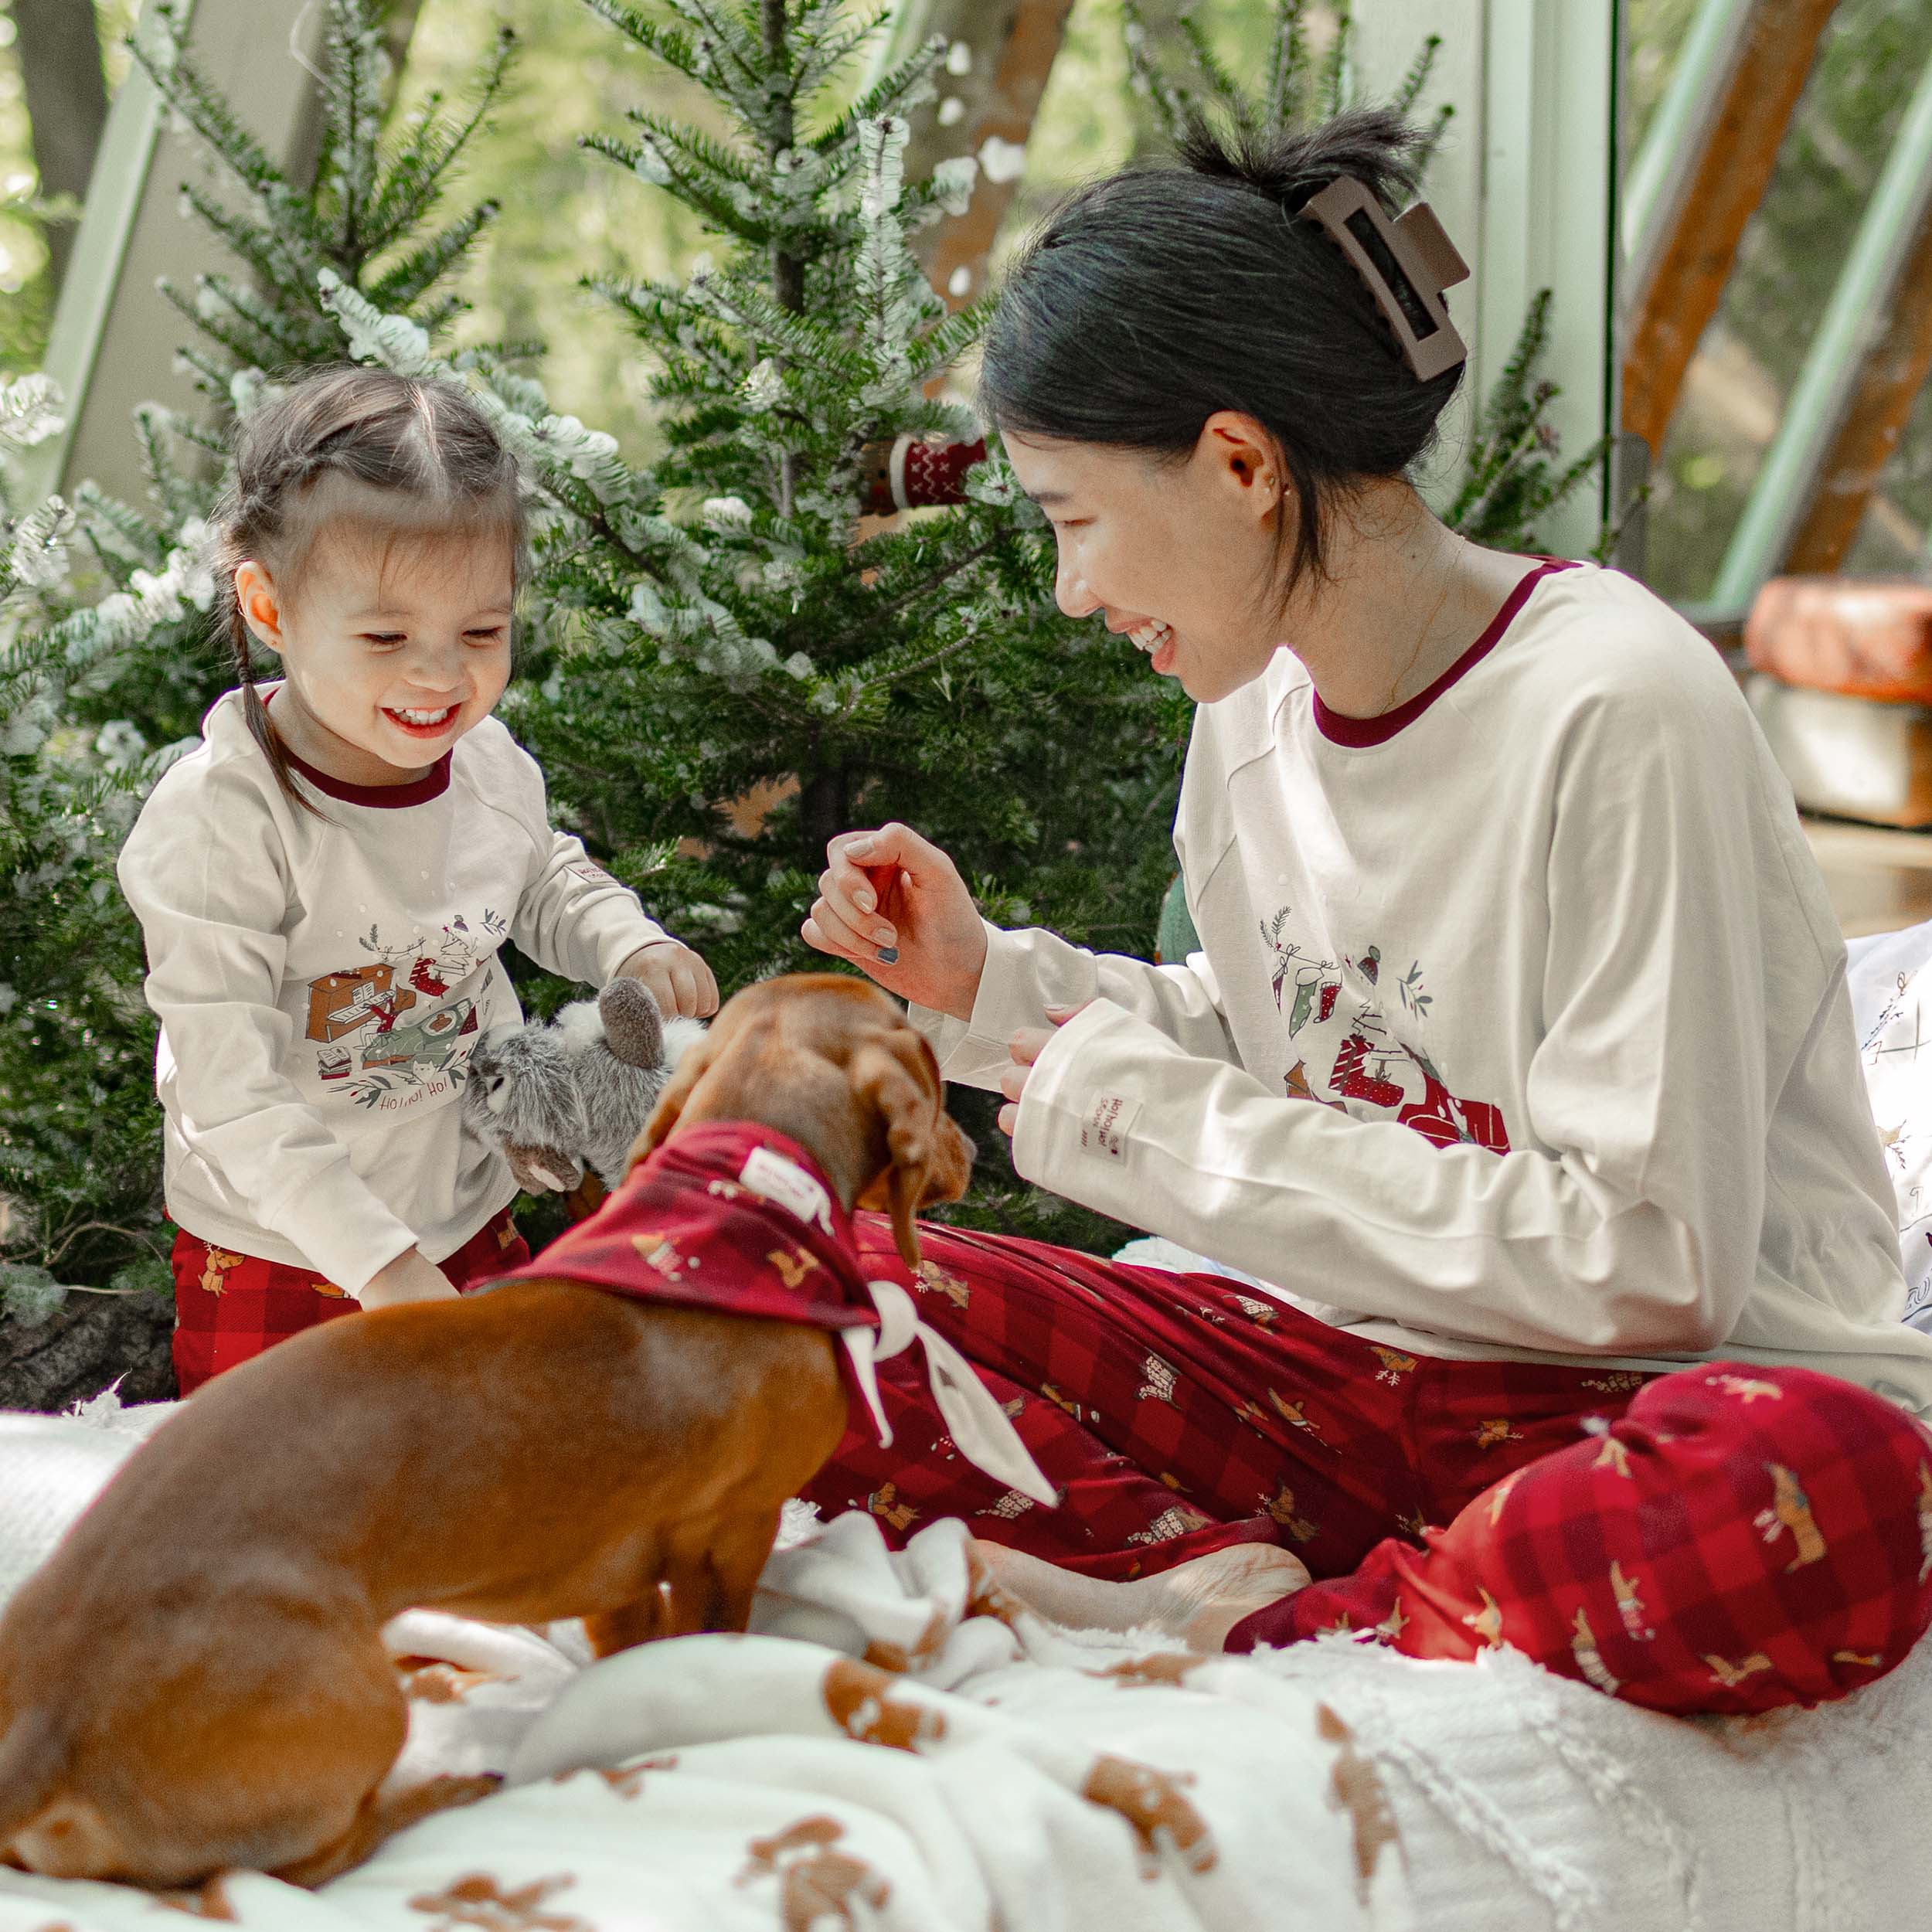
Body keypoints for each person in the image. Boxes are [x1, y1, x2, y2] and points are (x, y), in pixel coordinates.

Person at [798, 111, 1932, 1713]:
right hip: (1341, 1376)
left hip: (1635, 1400)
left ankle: (1263, 1626)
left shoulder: (1615, 706)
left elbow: (1644, 1260)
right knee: (812, 1284)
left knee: (1833, 1484)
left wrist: (1138, 1112)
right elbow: (1306, 1039)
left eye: (1069, 519)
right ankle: (1257, 1579)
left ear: (1241, 465)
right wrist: (992, 988)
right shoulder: (1247, 714)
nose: (1066, 589)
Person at [118, 366, 717, 1394]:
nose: (440, 676)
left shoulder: (485, 768)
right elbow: (231, 1094)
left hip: (463, 1211)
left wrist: (629, 942)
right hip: (277, 1246)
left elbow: (539, 880)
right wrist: (384, 1270)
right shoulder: (225, 819)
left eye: (481, 632)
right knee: (280, 1505)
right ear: (270, 604)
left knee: (481, 1462)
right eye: (387, 637)